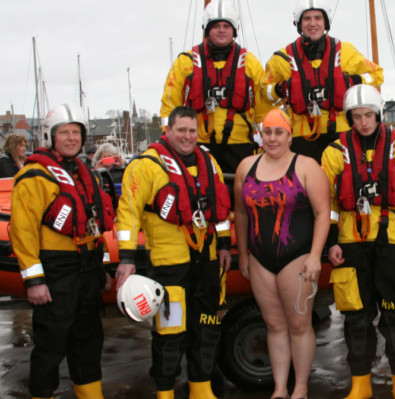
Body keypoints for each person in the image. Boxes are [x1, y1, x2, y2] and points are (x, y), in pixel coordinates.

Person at [114, 106, 232, 399]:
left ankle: (201, 389)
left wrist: (226, 244)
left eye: (192, 131)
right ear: (167, 131)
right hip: (169, 267)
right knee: (169, 335)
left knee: (206, 329)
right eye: (181, 130)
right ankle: (165, 393)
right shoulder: (146, 166)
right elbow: (127, 214)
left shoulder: (209, 161)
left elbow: (221, 207)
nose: (188, 136)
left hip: (207, 261)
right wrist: (127, 259)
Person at [322, 84, 395, 399]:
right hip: (350, 240)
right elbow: (326, 202)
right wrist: (332, 242)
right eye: (356, 116)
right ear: (349, 118)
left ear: (378, 114)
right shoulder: (334, 153)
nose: (364, 122)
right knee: (356, 315)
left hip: (393, 240)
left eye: (368, 115)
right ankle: (360, 385)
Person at [9, 103, 115, 399]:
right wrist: (34, 280)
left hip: (88, 269)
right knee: (50, 346)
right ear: (50, 137)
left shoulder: (87, 176)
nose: (71, 138)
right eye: (64, 133)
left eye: (76, 132)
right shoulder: (35, 177)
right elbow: (23, 230)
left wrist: (103, 268)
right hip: (56, 271)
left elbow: (95, 225)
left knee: (89, 343)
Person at [234, 109, 330, 399]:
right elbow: (240, 213)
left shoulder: (306, 166)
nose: (272, 138)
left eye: (279, 132)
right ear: (260, 135)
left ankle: (300, 387)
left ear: (290, 135)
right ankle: (279, 388)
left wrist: (315, 256)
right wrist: (242, 254)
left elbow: (323, 212)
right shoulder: (246, 167)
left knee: (299, 326)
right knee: (274, 325)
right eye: (267, 132)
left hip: (297, 257)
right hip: (260, 259)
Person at [260, 0, 383, 163]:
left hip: (340, 133)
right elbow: (263, 92)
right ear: (299, 23)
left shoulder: (345, 52)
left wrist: (354, 81)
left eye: (318, 18)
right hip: (301, 135)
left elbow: (376, 74)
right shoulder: (282, 59)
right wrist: (281, 89)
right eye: (307, 18)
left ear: (326, 21)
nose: (313, 23)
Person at [160, 0, 266, 182]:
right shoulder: (185, 63)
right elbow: (169, 106)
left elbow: (264, 110)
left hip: (240, 144)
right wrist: (169, 138)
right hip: (197, 143)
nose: (221, 30)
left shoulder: (250, 63)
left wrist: (269, 141)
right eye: (216, 26)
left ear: (234, 29)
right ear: (207, 29)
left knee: (243, 195)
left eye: (226, 26)